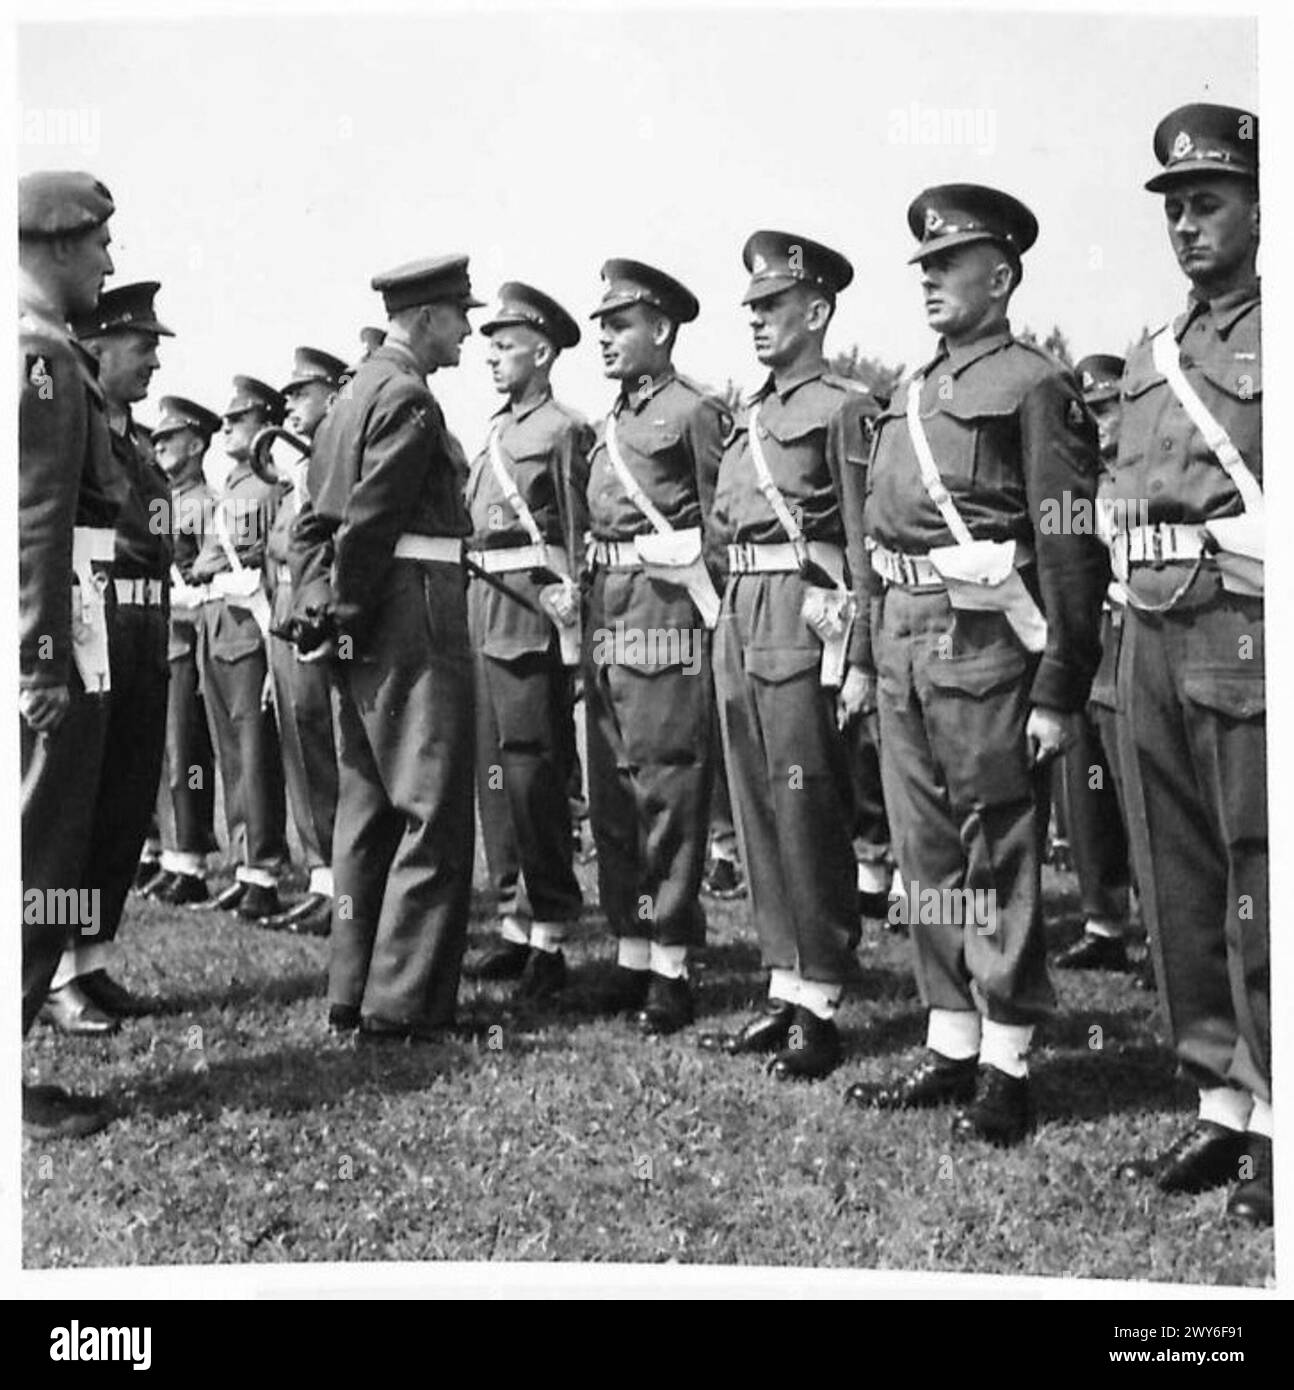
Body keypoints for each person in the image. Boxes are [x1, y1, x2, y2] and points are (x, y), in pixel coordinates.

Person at [840, 185, 1106, 1144]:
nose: (931, 283)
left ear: (1000, 277)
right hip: (906, 631)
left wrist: (1059, 685)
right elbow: (876, 540)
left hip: (986, 642)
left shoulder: (1032, 383)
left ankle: (1008, 1062)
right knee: (926, 849)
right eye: (924, 267)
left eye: (949, 266)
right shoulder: (910, 391)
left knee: (994, 843)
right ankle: (951, 1039)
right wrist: (869, 653)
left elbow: (1069, 539)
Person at [1108, 105, 1270, 1226]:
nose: (1185, 225)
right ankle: (1221, 1096)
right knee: (1176, 875)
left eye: (1206, 201)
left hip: (1245, 627)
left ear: (1264, 207)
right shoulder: (1150, 354)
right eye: (1172, 206)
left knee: (1266, 877)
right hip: (1149, 629)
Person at [700, 231, 875, 1079]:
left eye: (773, 308)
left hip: (802, 615)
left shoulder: (844, 406)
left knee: (808, 804)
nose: (758, 322)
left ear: (817, 311)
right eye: (753, 309)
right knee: (756, 801)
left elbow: (865, 538)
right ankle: (784, 982)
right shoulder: (750, 417)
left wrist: (858, 649)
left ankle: (825, 996)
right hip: (741, 611)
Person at [292, 255, 479, 1041]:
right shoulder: (407, 398)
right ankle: (403, 1005)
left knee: (364, 808)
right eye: (460, 315)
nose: (468, 329)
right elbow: (368, 522)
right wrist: (348, 607)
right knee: (429, 807)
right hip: (406, 610)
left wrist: (323, 612)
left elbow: (316, 519)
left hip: (362, 615)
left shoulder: (350, 395)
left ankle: (351, 988)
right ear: (428, 317)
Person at [39, 282, 174, 1034]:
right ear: (101, 346)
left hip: (147, 625)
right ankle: (52, 972)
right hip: (98, 615)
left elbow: (160, 525)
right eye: (143, 346)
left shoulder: (141, 443)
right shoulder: (74, 419)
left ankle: (90, 959)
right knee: (78, 801)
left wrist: (170, 545)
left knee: (125, 794)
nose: (153, 361)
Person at [19, 169, 118, 1138]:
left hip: (59, 609)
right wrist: (42, 657)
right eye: (97, 245)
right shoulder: (39, 351)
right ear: (56, 244)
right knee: (39, 848)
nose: (107, 261)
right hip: (52, 621)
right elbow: (36, 519)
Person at [461, 283, 589, 999]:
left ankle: (552, 930)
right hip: (484, 611)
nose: (493, 359)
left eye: (505, 346)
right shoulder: (494, 432)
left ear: (542, 353)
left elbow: (577, 536)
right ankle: (513, 922)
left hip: (532, 613)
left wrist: (574, 631)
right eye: (490, 347)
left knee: (536, 776)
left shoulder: (562, 431)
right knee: (494, 777)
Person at [189, 377, 291, 919]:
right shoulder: (228, 487)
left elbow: (274, 566)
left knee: (255, 756)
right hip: (215, 626)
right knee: (230, 755)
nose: (225, 429)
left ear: (262, 426)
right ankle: (245, 865)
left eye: (237, 420)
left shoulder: (267, 487)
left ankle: (265, 872)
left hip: (250, 631)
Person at [259, 347, 347, 935]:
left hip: (324, 625)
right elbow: (274, 566)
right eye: (287, 396)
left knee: (334, 750)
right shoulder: (292, 481)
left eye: (301, 394)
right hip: (287, 623)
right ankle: (322, 877)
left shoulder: (337, 468)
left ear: (332, 397)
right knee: (302, 748)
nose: (290, 405)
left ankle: (349, 884)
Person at [1052, 354, 1134, 971]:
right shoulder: (1072, 474)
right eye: (1089, 412)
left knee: (1142, 788)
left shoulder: (1140, 470)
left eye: (1107, 407)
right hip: (1087, 643)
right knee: (1086, 790)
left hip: (1135, 632)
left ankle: (1166, 930)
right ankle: (1104, 922)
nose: (1098, 423)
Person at [147, 396, 222, 905]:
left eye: (168, 440)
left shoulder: (205, 502)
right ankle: (166, 851)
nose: (159, 447)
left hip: (187, 637)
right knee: (158, 755)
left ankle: (189, 858)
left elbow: (207, 574)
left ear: (195, 445)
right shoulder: (164, 501)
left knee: (186, 754)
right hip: (159, 635)